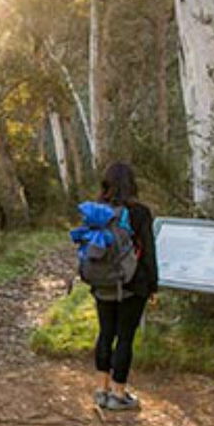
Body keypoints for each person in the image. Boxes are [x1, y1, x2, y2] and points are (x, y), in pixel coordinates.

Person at [91, 161, 157, 411]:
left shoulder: (97, 211)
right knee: (125, 336)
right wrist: (152, 285)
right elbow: (148, 251)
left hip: (102, 282)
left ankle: (101, 389)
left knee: (105, 333)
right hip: (132, 283)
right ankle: (119, 394)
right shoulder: (139, 212)